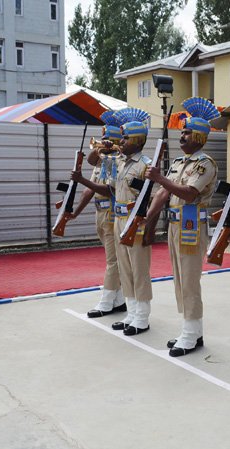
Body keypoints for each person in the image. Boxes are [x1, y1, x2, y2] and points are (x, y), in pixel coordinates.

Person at [143, 97, 219, 356]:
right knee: (179, 280)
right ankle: (191, 330)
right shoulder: (178, 163)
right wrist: (148, 222)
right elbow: (162, 195)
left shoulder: (204, 163)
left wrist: (160, 178)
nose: (182, 135)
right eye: (182, 131)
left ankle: (190, 333)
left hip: (191, 226)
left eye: (187, 132)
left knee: (189, 281)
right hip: (175, 227)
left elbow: (188, 193)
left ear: (199, 136)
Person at [73, 107, 154, 335]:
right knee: (125, 269)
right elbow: (107, 187)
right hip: (118, 219)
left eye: (126, 137)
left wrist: (149, 226)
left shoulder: (146, 165)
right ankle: (131, 312)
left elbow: (150, 196)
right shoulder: (120, 163)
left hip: (135, 221)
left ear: (138, 141)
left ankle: (143, 315)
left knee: (138, 270)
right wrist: (83, 179)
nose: (122, 141)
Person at [68, 111, 127, 319]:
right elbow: (89, 188)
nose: (101, 144)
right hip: (100, 213)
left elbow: (106, 190)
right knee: (111, 259)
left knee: (113, 261)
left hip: (112, 214)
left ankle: (106, 302)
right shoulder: (102, 160)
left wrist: (82, 179)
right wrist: (75, 212)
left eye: (105, 140)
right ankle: (119, 300)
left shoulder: (117, 162)